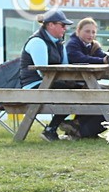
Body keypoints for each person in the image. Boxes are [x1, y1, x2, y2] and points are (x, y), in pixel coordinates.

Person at [20, 8, 74, 141]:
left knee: (80, 89)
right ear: (50, 25)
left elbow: (65, 66)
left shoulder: (59, 42)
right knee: (74, 91)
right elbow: (43, 73)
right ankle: (52, 129)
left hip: (47, 84)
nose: (65, 29)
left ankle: (67, 128)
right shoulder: (37, 42)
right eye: (62, 25)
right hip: (33, 86)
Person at [62, 17, 109, 139]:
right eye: (87, 31)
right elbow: (79, 58)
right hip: (70, 83)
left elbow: (102, 57)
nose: (91, 35)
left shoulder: (92, 45)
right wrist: (102, 60)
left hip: (83, 83)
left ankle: (77, 127)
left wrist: (108, 57)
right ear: (78, 30)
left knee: (101, 94)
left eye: (93, 32)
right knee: (100, 95)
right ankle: (78, 128)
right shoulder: (72, 44)